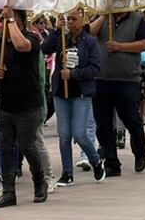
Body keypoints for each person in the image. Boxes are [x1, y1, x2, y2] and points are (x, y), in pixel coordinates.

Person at [0, 8, 47, 207]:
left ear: (20, 22)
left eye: (9, 21)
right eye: (0, 21)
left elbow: (22, 46)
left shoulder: (32, 38)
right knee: (4, 148)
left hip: (28, 105)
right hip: (5, 105)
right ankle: (9, 191)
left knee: (28, 146)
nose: (3, 25)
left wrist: (11, 19)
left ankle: (40, 182)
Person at [41, 10, 105, 185]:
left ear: (82, 20)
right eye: (68, 19)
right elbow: (45, 49)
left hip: (80, 93)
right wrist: (56, 30)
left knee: (79, 134)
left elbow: (95, 67)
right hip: (61, 92)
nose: (70, 22)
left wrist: (75, 74)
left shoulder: (90, 41)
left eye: (73, 19)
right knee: (64, 135)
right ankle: (67, 173)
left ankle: (96, 161)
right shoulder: (62, 38)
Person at [89, 9, 145, 176]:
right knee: (103, 125)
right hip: (101, 78)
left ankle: (140, 151)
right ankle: (111, 162)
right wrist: (103, 15)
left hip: (127, 79)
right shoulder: (102, 17)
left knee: (131, 119)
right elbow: (89, 32)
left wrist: (120, 46)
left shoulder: (137, 18)